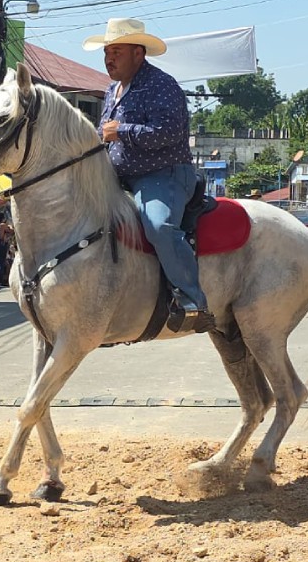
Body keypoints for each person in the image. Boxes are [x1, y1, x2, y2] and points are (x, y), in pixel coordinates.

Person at [83, 17, 212, 331]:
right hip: (119, 175)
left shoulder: (161, 85)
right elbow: (105, 135)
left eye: (117, 51)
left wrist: (122, 130)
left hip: (162, 174)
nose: (108, 58)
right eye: (106, 52)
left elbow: (168, 132)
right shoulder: (113, 89)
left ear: (138, 54)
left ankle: (192, 300)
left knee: (158, 226)